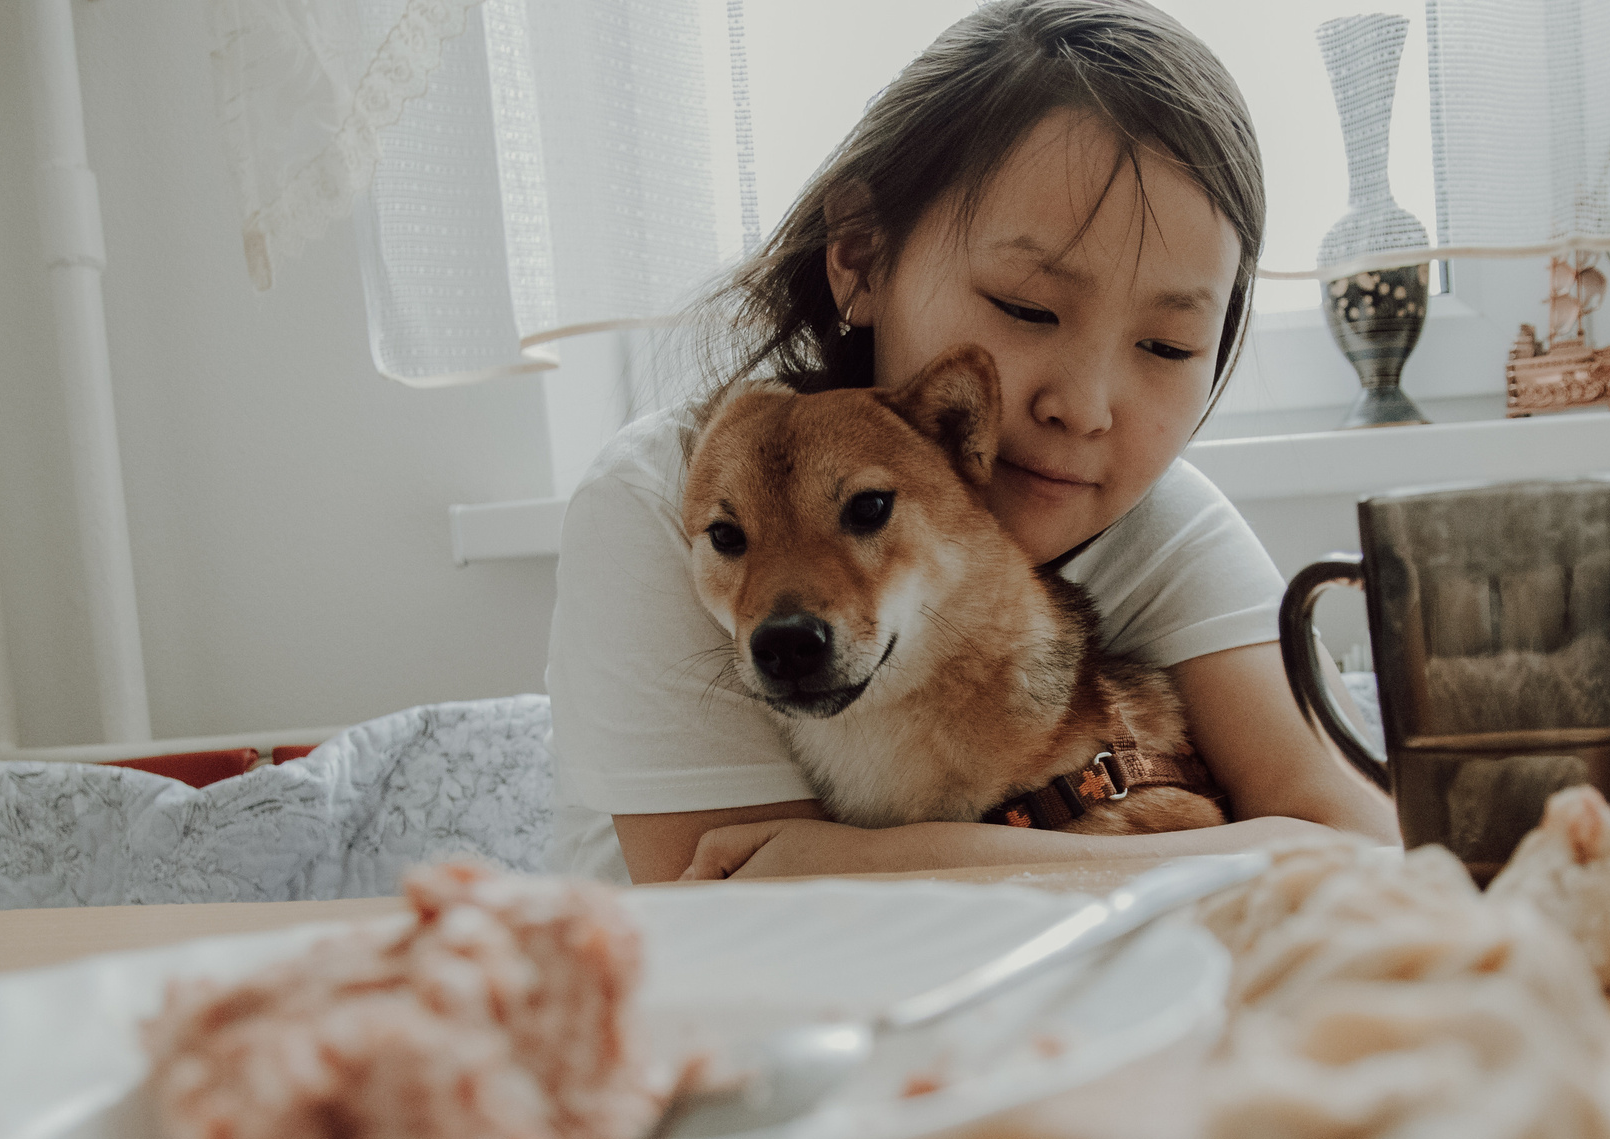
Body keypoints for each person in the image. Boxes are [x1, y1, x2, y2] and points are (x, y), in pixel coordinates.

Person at [546, 0, 1395, 884]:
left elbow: (1370, 846)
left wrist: (885, 860)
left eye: (1168, 347)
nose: (1086, 407)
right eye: (1028, 307)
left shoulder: (1154, 519)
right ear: (861, 254)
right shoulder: (662, 503)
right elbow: (747, 909)